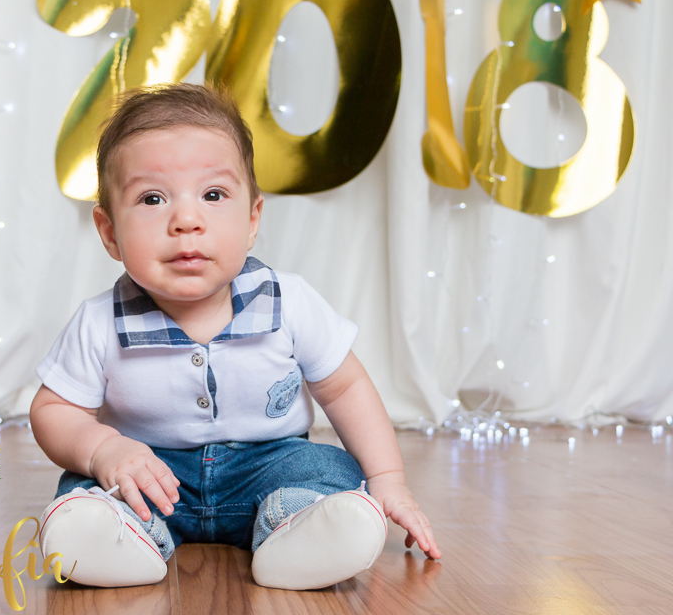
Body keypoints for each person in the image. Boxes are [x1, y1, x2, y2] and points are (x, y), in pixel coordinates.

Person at [29, 83, 440, 590]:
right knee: (88, 490)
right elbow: (53, 411)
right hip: (151, 474)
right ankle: (115, 539)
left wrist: (389, 481)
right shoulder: (98, 323)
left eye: (213, 195)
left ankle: (297, 531)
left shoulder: (288, 302)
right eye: (152, 198)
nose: (186, 221)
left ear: (252, 220)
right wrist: (102, 451)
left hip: (268, 467)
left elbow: (345, 387)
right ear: (110, 231)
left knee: (325, 469)